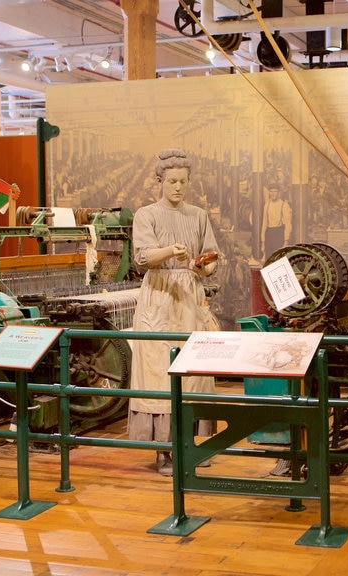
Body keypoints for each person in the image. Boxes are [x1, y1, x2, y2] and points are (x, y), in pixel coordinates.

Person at [129, 148, 221, 476]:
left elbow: (209, 263)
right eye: (171, 181)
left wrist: (201, 265)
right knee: (158, 373)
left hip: (189, 298)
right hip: (159, 296)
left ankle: (195, 444)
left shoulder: (198, 215)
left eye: (183, 181)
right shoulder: (146, 215)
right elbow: (142, 258)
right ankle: (164, 451)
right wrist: (170, 251)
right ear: (160, 181)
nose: (178, 187)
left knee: (195, 372)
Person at [260, 181, 292, 260]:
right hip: (269, 234)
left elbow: (288, 225)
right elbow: (264, 224)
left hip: (279, 235)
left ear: (279, 193)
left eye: (275, 191)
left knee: (279, 260)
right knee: (269, 260)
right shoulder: (266, 205)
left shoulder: (284, 205)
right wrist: (263, 242)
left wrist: (286, 241)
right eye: (271, 191)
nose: (273, 194)